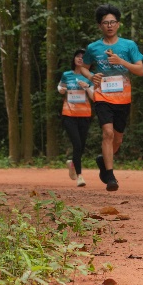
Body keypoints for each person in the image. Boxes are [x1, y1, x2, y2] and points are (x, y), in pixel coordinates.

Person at [86, 4, 143, 192]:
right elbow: (82, 67)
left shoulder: (128, 46)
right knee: (108, 133)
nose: (109, 25)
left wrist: (121, 61)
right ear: (100, 26)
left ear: (118, 24)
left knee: (117, 140)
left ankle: (103, 161)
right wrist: (91, 76)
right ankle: (110, 176)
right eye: (105, 23)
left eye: (112, 22)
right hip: (102, 96)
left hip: (123, 98)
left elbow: (140, 71)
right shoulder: (93, 47)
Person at [57, 51, 95, 187]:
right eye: (78, 56)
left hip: (85, 115)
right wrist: (61, 90)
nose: (80, 58)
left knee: (81, 146)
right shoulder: (67, 74)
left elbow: (94, 97)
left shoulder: (90, 77)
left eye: (83, 57)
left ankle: (72, 163)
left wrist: (87, 88)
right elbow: (60, 86)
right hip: (69, 114)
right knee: (77, 144)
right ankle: (80, 176)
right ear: (74, 59)